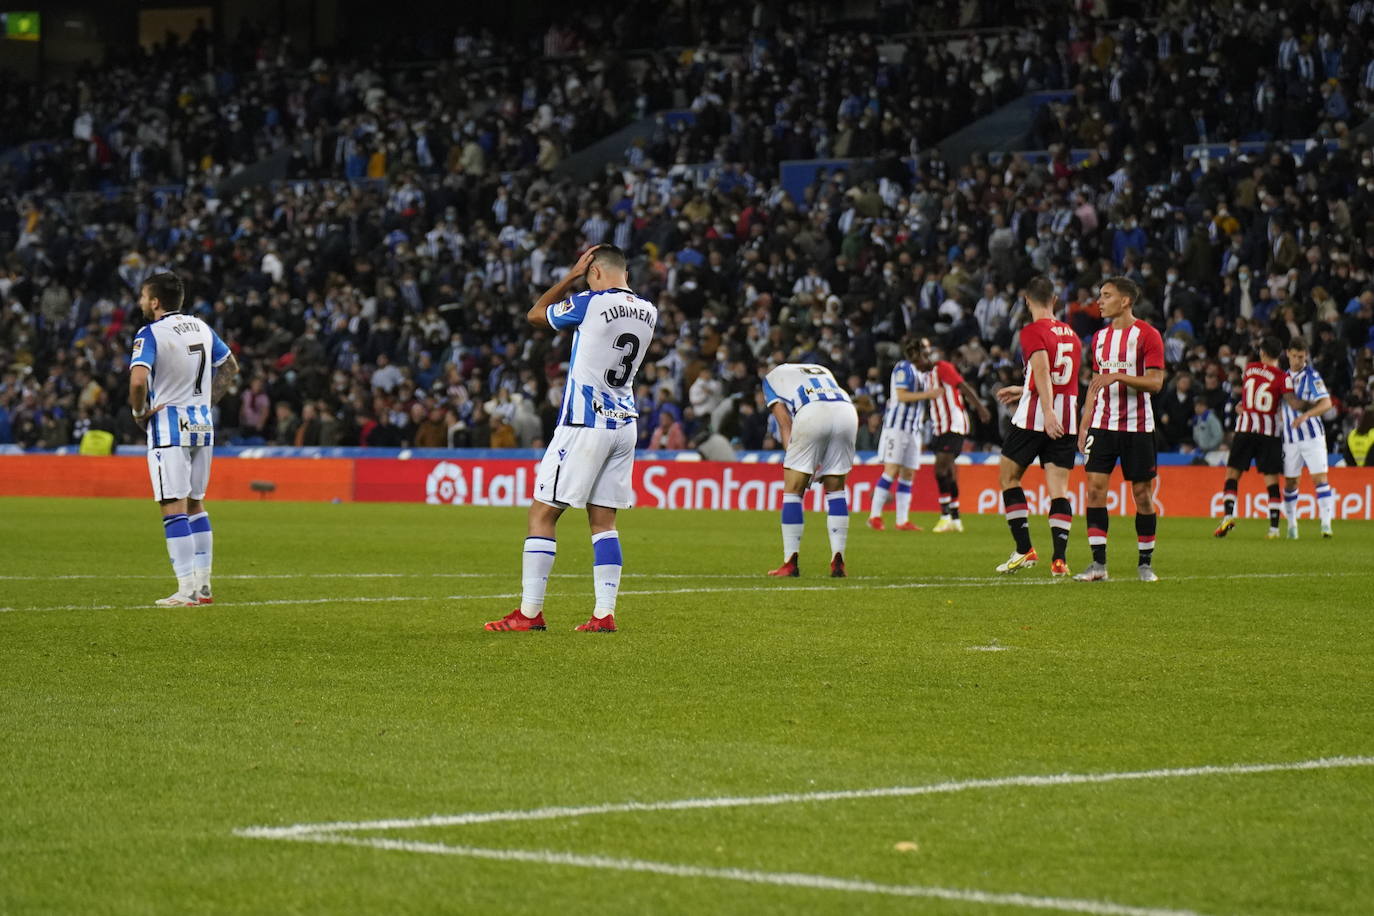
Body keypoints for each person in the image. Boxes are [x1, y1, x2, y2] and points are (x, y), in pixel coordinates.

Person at [485, 245, 656, 633]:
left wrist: (569, 277)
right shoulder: (649, 310)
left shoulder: (589, 302)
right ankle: (604, 613)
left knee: (543, 514)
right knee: (604, 521)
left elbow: (534, 316)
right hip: (624, 424)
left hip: (583, 423)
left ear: (593, 271)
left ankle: (529, 614)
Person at [127, 271, 238, 606]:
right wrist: (206, 403)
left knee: (172, 506)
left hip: (169, 427)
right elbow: (230, 367)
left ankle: (186, 589)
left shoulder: (150, 333)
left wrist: (138, 413)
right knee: (195, 503)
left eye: (144, 297)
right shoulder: (202, 327)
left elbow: (137, 381)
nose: (141, 302)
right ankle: (203, 587)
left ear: (156, 301)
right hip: (203, 426)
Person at [1075, 276, 1165, 583]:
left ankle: (1145, 564)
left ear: (1125, 301)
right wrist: (1084, 422)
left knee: (1141, 494)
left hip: (1138, 427)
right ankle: (1098, 564)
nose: (1099, 301)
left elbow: (1155, 383)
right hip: (1102, 423)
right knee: (1095, 491)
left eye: (1106, 295)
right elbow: (1097, 382)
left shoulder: (1148, 335)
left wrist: (1120, 377)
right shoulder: (1099, 338)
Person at [992, 277, 1082, 576]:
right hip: (1066, 417)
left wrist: (1044, 408)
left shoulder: (1032, 331)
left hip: (1037, 417)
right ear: (1054, 300)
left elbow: (1043, 369)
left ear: (1027, 300)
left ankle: (1024, 549)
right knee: (1059, 490)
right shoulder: (1071, 334)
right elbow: (1059, 378)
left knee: (1009, 477)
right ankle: (1059, 559)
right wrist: (1024, 389)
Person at [761, 361, 859, 578]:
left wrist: (797, 461)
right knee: (836, 489)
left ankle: (790, 562)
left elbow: (785, 424)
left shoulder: (770, 379)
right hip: (846, 411)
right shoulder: (821, 368)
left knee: (793, 490)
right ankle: (838, 559)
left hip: (813, 411)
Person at [1213, 337, 1303, 540]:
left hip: (1245, 428)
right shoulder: (1282, 377)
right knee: (1271, 479)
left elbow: (1249, 397)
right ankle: (1273, 529)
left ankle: (1228, 515)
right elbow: (1291, 402)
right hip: (1269, 432)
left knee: (1232, 474)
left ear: (1262, 353)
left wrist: (1243, 407)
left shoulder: (1250, 369)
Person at [866, 337, 944, 532]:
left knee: (908, 473)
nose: (929, 352)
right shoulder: (904, 368)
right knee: (891, 469)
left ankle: (902, 520)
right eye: (925, 349)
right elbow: (901, 395)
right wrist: (929, 395)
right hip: (896, 427)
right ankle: (874, 516)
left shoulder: (924, 372)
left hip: (913, 429)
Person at [916, 341, 990, 532]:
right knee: (948, 471)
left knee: (939, 469)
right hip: (939, 428)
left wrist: (980, 408)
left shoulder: (943, 368)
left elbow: (962, 386)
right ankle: (956, 519)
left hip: (954, 425)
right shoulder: (927, 376)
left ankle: (945, 515)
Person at [1279, 339, 1335, 538]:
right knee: (1291, 483)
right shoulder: (1282, 378)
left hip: (1312, 437)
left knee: (1319, 478)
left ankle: (1326, 525)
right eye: (1294, 356)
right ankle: (1292, 526)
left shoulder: (1312, 376)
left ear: (1306, 356)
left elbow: (1327, 403)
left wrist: (1306, 415)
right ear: (1288, 354)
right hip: (1289, 439)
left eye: (1301, 357)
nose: (1297, 361)